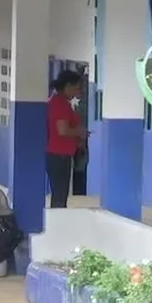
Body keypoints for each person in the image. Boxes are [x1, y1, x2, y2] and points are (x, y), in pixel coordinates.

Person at [46, 70, 86, 208]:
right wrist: (79, 132)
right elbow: (62, 130)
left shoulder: (60, 102)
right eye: (76, 88)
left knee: (60, 193)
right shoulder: (59, 103)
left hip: (60, 154)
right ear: (67, 86)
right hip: (58, 155)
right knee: (60, 194)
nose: (78, 91)